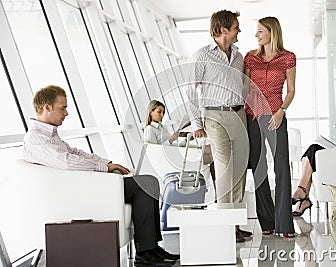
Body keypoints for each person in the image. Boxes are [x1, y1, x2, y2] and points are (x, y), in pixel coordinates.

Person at [23, 85, 179, 267]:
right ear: (47, 107)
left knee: (149, 182)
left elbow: (76, 153)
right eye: (62, 108)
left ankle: (151, 248)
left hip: (87, 186)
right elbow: (67, 162)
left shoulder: (49, 135)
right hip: (82, 192)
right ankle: (145, 253)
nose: (66, 113)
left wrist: (106, 163)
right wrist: (104, 167)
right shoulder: (36, 139)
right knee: (144, 183)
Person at [186, 9, 251, 242]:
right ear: (223, 30)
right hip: (214, 117)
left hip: (238, 115)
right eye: (235, 27)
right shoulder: (201, 56)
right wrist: (196, 123)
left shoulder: (238, 56)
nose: (239, 31)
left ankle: (234, 223)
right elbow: (190, 92)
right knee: (224, 170)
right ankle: (225, 225)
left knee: (239, 170)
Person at [244, 16, 296, 237]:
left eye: (260, 31)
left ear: (271, 32)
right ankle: (267, 221)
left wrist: (280, 111)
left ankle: (285, 224)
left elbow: (292, 90)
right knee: (258, 168)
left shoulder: (287, 58)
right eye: (256, 32)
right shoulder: (250, 58)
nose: (256, 35)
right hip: (253, 117)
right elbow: (245, 87)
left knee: (282, 167)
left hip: (276, 116)